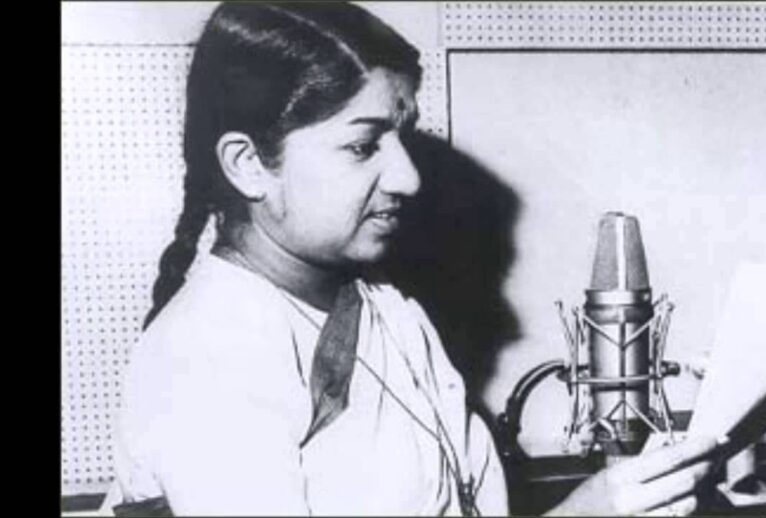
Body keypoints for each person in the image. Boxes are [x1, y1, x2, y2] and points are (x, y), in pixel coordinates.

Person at [100, 3, 721, 516]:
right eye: (362, 145)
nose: (408, 177)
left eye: (402, 138)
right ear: (249, 164)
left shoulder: (388, 310)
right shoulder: (208, 356)